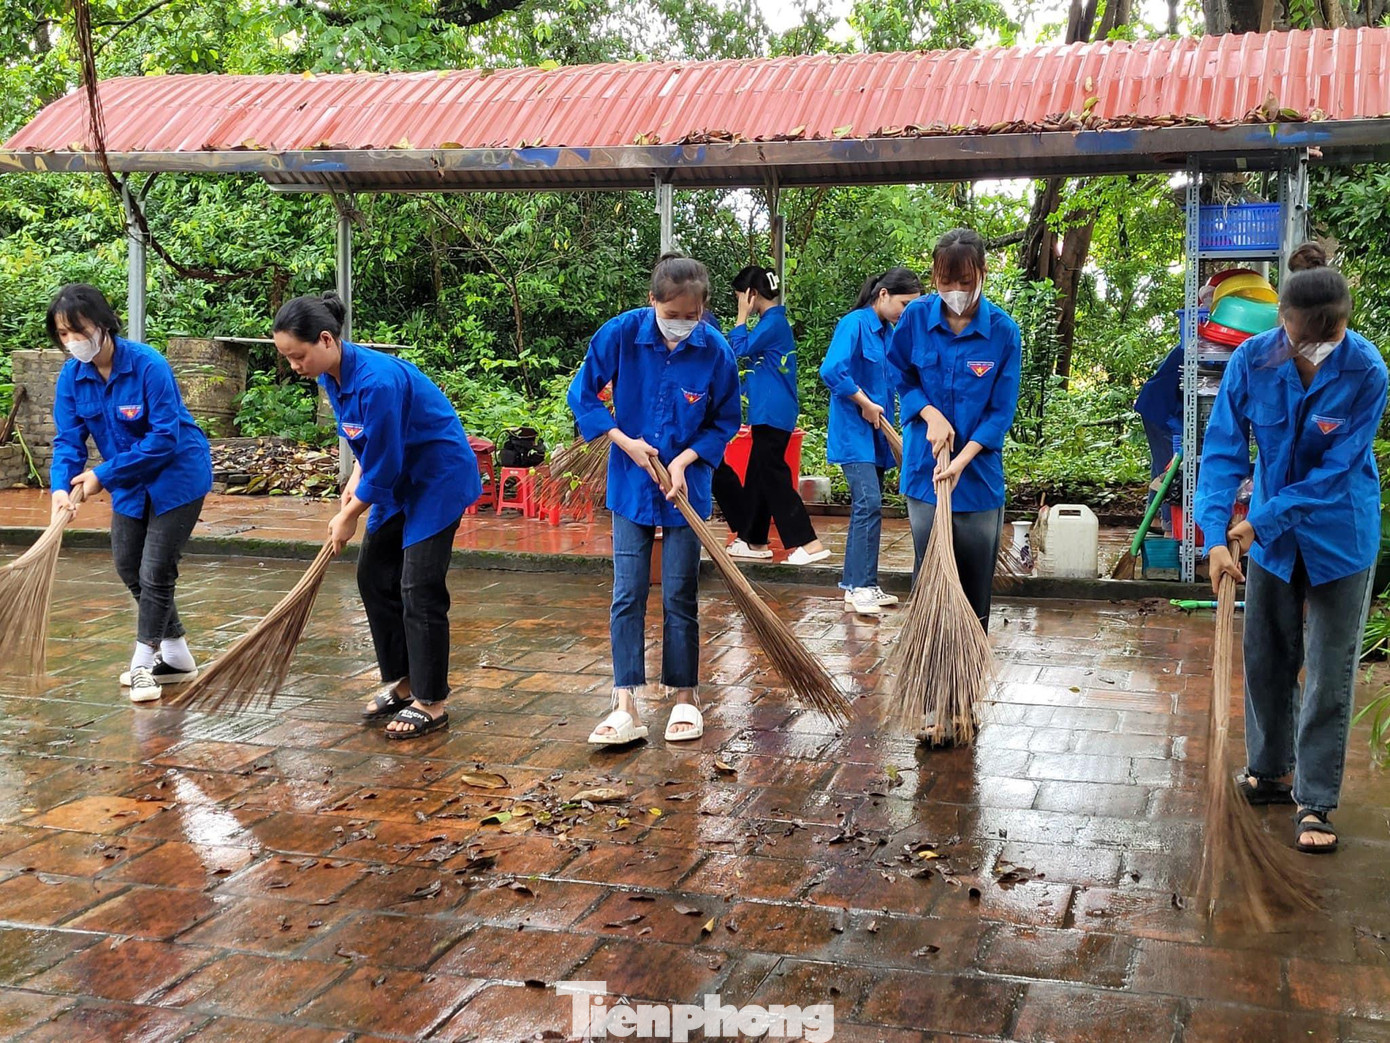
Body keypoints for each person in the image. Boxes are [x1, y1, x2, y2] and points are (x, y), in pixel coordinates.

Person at [1197, 243, 1388, 854]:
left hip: (1340, 537)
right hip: (1272, 543)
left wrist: (1261, 519)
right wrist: (1213, 536)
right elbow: (1223, 450)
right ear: (1283, 320)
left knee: (1330, 670)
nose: (1315, 349)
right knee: (1267, 656)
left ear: (1344, 323)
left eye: (1328, 337)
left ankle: (1315, 801)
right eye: (1305, 336)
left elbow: (1338, 470)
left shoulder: (1367, 371)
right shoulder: (1251, 362)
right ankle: (1269, 770)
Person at [273, 292, 481, 740]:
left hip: (436, 478)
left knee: (419, 586)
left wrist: (349, 514)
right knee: (374, 576)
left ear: (326, 339)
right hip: (397, 478)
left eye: (298, 356)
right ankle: (404, 681)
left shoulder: (377, 380)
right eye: (288, 358)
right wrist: (356, 477)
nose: (294, 366)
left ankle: (432, 701)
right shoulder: (331, 374)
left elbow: (386, 459)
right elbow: (370, 441)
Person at [568, 254, 741, 746]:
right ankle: (625, 702)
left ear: (704, 309)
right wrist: (625, 441)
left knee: (680, 592)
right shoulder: (621, 335)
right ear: (653, 302)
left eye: (692, 316)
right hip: (631, 481)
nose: (681, 325)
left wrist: (686, 461)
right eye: (672, 314)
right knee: (628, 591)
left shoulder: (715, 350)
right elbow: (583, 395)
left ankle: (685, 695)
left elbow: (724, 420)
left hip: (687, 486)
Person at [47, 284, 213, 704]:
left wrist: (101, 474)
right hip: (129, 482)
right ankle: (176, 657)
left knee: (156, 570)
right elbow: (69, 439)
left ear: (102, 325)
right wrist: (60, 487)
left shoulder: (147, 365)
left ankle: (142, 665)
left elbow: (163, 438)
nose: (72, 342)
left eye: (77, 331)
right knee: (127, 565)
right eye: (63, 335)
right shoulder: (72, 376)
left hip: (177, 476)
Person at [889, 229, 1022, 633]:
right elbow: (900, 375)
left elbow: (1000, 412)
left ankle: (968, 674)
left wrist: (963, 459)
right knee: (930, 576)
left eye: (965, 282)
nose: (956, 291)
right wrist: (930, 414)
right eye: (947, 283)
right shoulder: (915, 318)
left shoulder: (1003, 331)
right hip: (925, 474)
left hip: (977, 478)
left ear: (983, 272)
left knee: (973, 583)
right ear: (934, 277)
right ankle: (929, 668)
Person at [819, 267, 923, 618]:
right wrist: (863, 402)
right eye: (905, 304)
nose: (907, 312)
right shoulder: (854, 324)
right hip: (854, 432)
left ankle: (860, 584)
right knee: (869, 502)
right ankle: (860, 585)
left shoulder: (891, 334)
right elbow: (832, 370)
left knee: (869, 507)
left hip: (878, 435)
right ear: (883, 295)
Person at [712, 265, 829, 566]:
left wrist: (740, 317)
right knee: (759, 475)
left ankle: (808, 542)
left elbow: (738, 349)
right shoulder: (772, 322)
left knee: (774, 476)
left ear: (751, 295)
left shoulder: (772, 323)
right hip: (770, 409)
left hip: (772, 410)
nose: (740, 302)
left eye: (741, 296)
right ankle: (754, 540)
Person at [1133, 346, 1182, 536]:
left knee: (1161, 461)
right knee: (1171, 466)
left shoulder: (1199, 344)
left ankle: (1153, 518)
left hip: (1158, 406)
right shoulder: (1202, 348)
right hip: (1161, 410)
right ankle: (1169, 524)